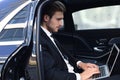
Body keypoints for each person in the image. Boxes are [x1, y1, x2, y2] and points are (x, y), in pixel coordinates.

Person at [40, 1, 100, 80]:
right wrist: (80, 76)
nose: (61, 24)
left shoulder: (49, 35)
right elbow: (51, 74)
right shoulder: (40, 40)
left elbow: (66, 57)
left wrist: (81, 64)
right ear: (46, 18)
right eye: (58, 19)